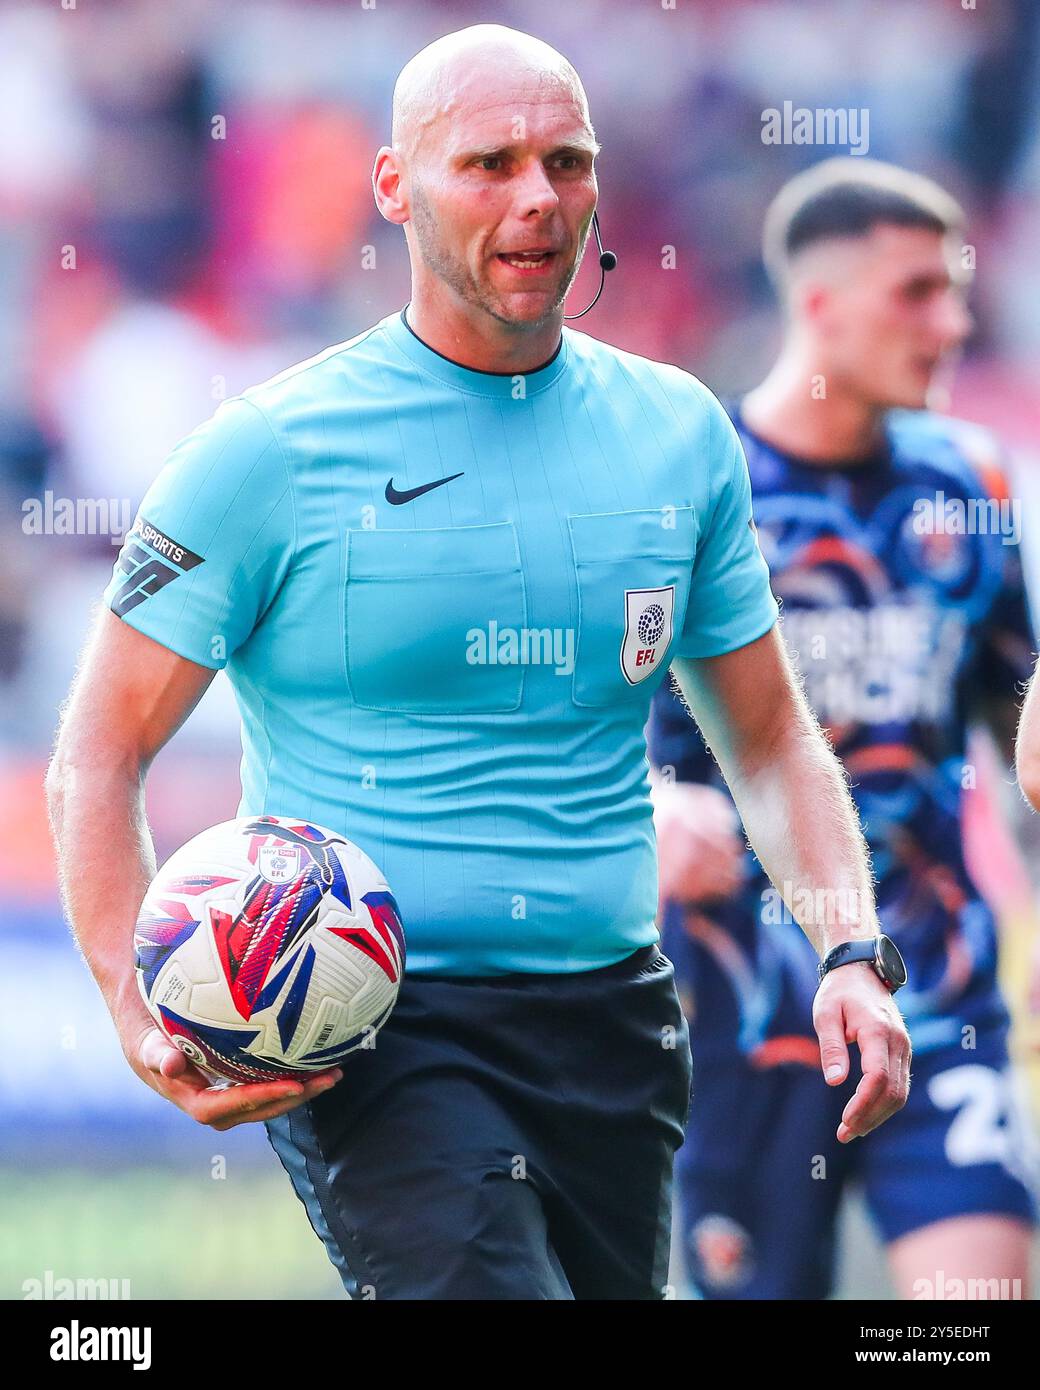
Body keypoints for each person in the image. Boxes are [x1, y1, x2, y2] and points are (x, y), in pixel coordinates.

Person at [46, 28, 909, 1301]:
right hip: (376, 1037)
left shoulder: (678, 434)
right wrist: (137, 1012)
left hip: (617, 1027)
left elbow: (770, 737)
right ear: (393, 186)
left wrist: (849, 951)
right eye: (489, 162)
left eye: (566, 161)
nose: (536, 199)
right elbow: (96, 755)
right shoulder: (266, 452)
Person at [649, 158, 1038, 1301]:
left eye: (956, 290)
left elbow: (1018, 723)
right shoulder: (693, 491)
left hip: (938, 987)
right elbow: (558, 726)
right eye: (916, 292)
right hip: (738, 1006)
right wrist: (644, 806)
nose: (953, 321)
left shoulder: (970, 487)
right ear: (818, 304)